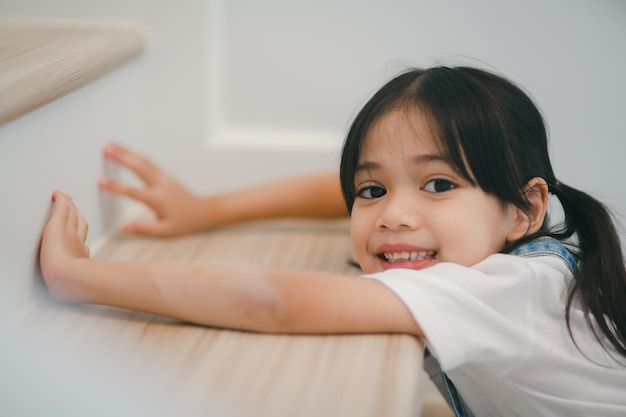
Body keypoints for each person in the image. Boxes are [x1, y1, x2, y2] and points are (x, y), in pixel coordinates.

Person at [40, 66, 626, 416]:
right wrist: (208, 210)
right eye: (373, 192)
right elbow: (340, 189)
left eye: (439, 183)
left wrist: (80, 276)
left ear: (524, 208)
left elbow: (272, 300)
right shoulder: (532, 237)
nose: (393, 214)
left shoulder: (507, 289)